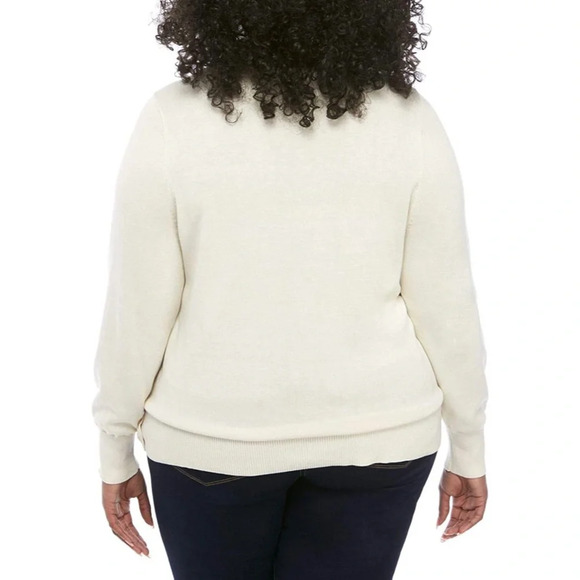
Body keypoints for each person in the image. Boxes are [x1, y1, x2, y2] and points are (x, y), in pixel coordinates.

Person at [92, 1, 489, 578]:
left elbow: (138, 309)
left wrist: (115, 443)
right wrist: (469, 443)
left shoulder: (171, 121)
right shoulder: (409, 120)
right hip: (378, 437)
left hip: (214, 440)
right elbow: (447, 306)